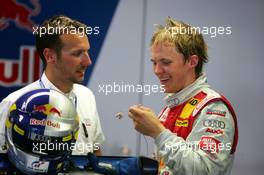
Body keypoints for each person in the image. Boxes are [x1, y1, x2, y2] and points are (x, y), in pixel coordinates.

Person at [128, 17, 238, 175]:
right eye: (154, 62)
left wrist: (159, 133)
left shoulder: (213, 108)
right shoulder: (170, 108)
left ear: (192, 61)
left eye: (165, 62)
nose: (157, 70)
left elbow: (205, 170)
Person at [0, 15, 105, 155]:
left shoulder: (87, 96)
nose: (88, 62)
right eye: (77, 53)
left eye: (87, 51)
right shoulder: (13, 103)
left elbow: (95, 150)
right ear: (50, 56)